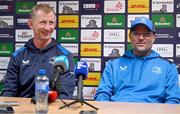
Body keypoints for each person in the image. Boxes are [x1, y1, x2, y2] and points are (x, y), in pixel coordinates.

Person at [94, 17, 180, 104]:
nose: (141, 38)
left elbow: (173, 99)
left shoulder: (168, 66)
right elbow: (102, 95)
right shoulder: (113, 65)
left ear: (154, 38)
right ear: (130, 37)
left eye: (146, 34)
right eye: (136, 34)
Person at [1, 3, 75, 99]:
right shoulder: (17, 56)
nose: (48, 28)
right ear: (31, 24)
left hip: (53, 109)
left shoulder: (65, 56)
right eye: (43, 22)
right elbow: (9, 92)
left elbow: (65, 96)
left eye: (51, 23)